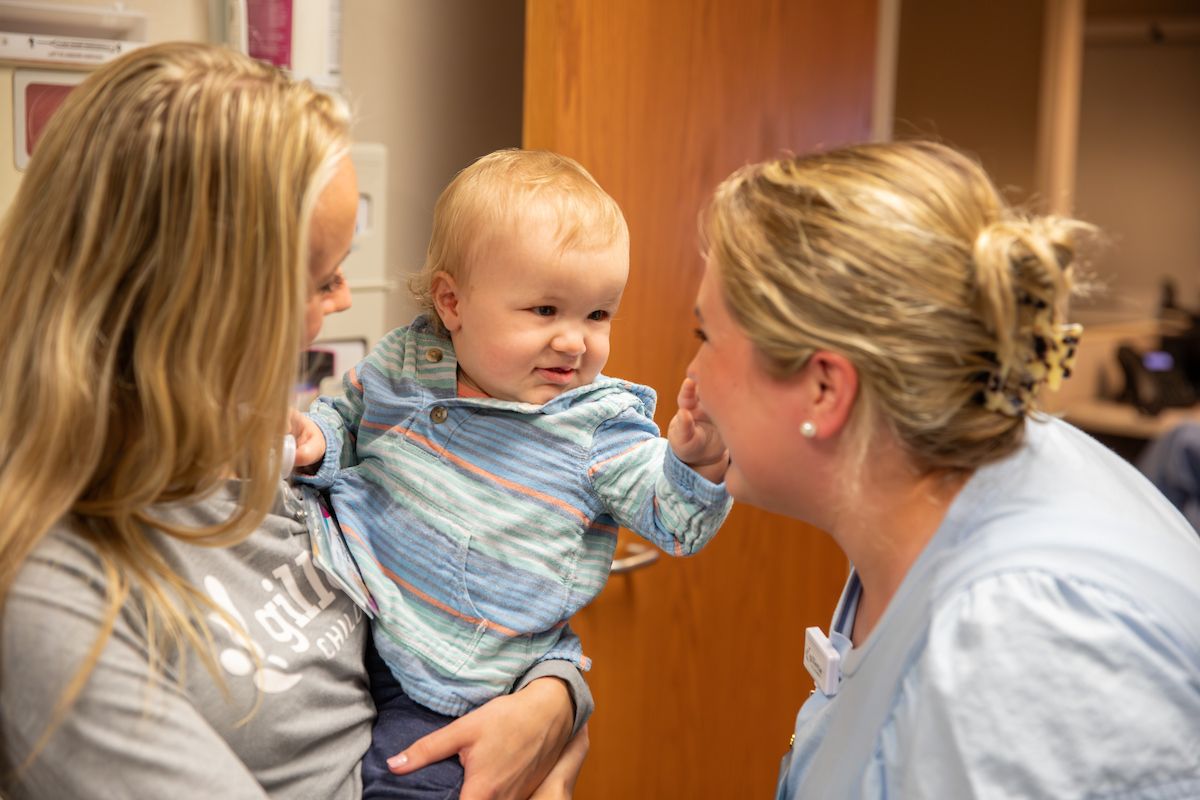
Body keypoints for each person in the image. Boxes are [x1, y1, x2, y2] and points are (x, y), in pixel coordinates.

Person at [0, 41, 588, 800]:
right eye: (321, 277)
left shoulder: (269, 446)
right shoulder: (49, 595)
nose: (343, 300)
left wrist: (555, 697)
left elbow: (450, 594)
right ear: (205, 301)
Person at [685, 140, 1200, 797]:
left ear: (825, 390)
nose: (692, 380)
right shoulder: (940, 481)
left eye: (706, 338)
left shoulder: (1025, 639)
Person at [291, 148, 733, 796]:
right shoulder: (407, 358)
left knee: (402, 783)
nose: (575, 341)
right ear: (453, 302)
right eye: (545, 312)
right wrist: (314, 443)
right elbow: (348, 418)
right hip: (361, 628)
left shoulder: (597, 423)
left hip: (468, 680)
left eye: (598, 314)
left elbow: (673, 519)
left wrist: (696, 462)